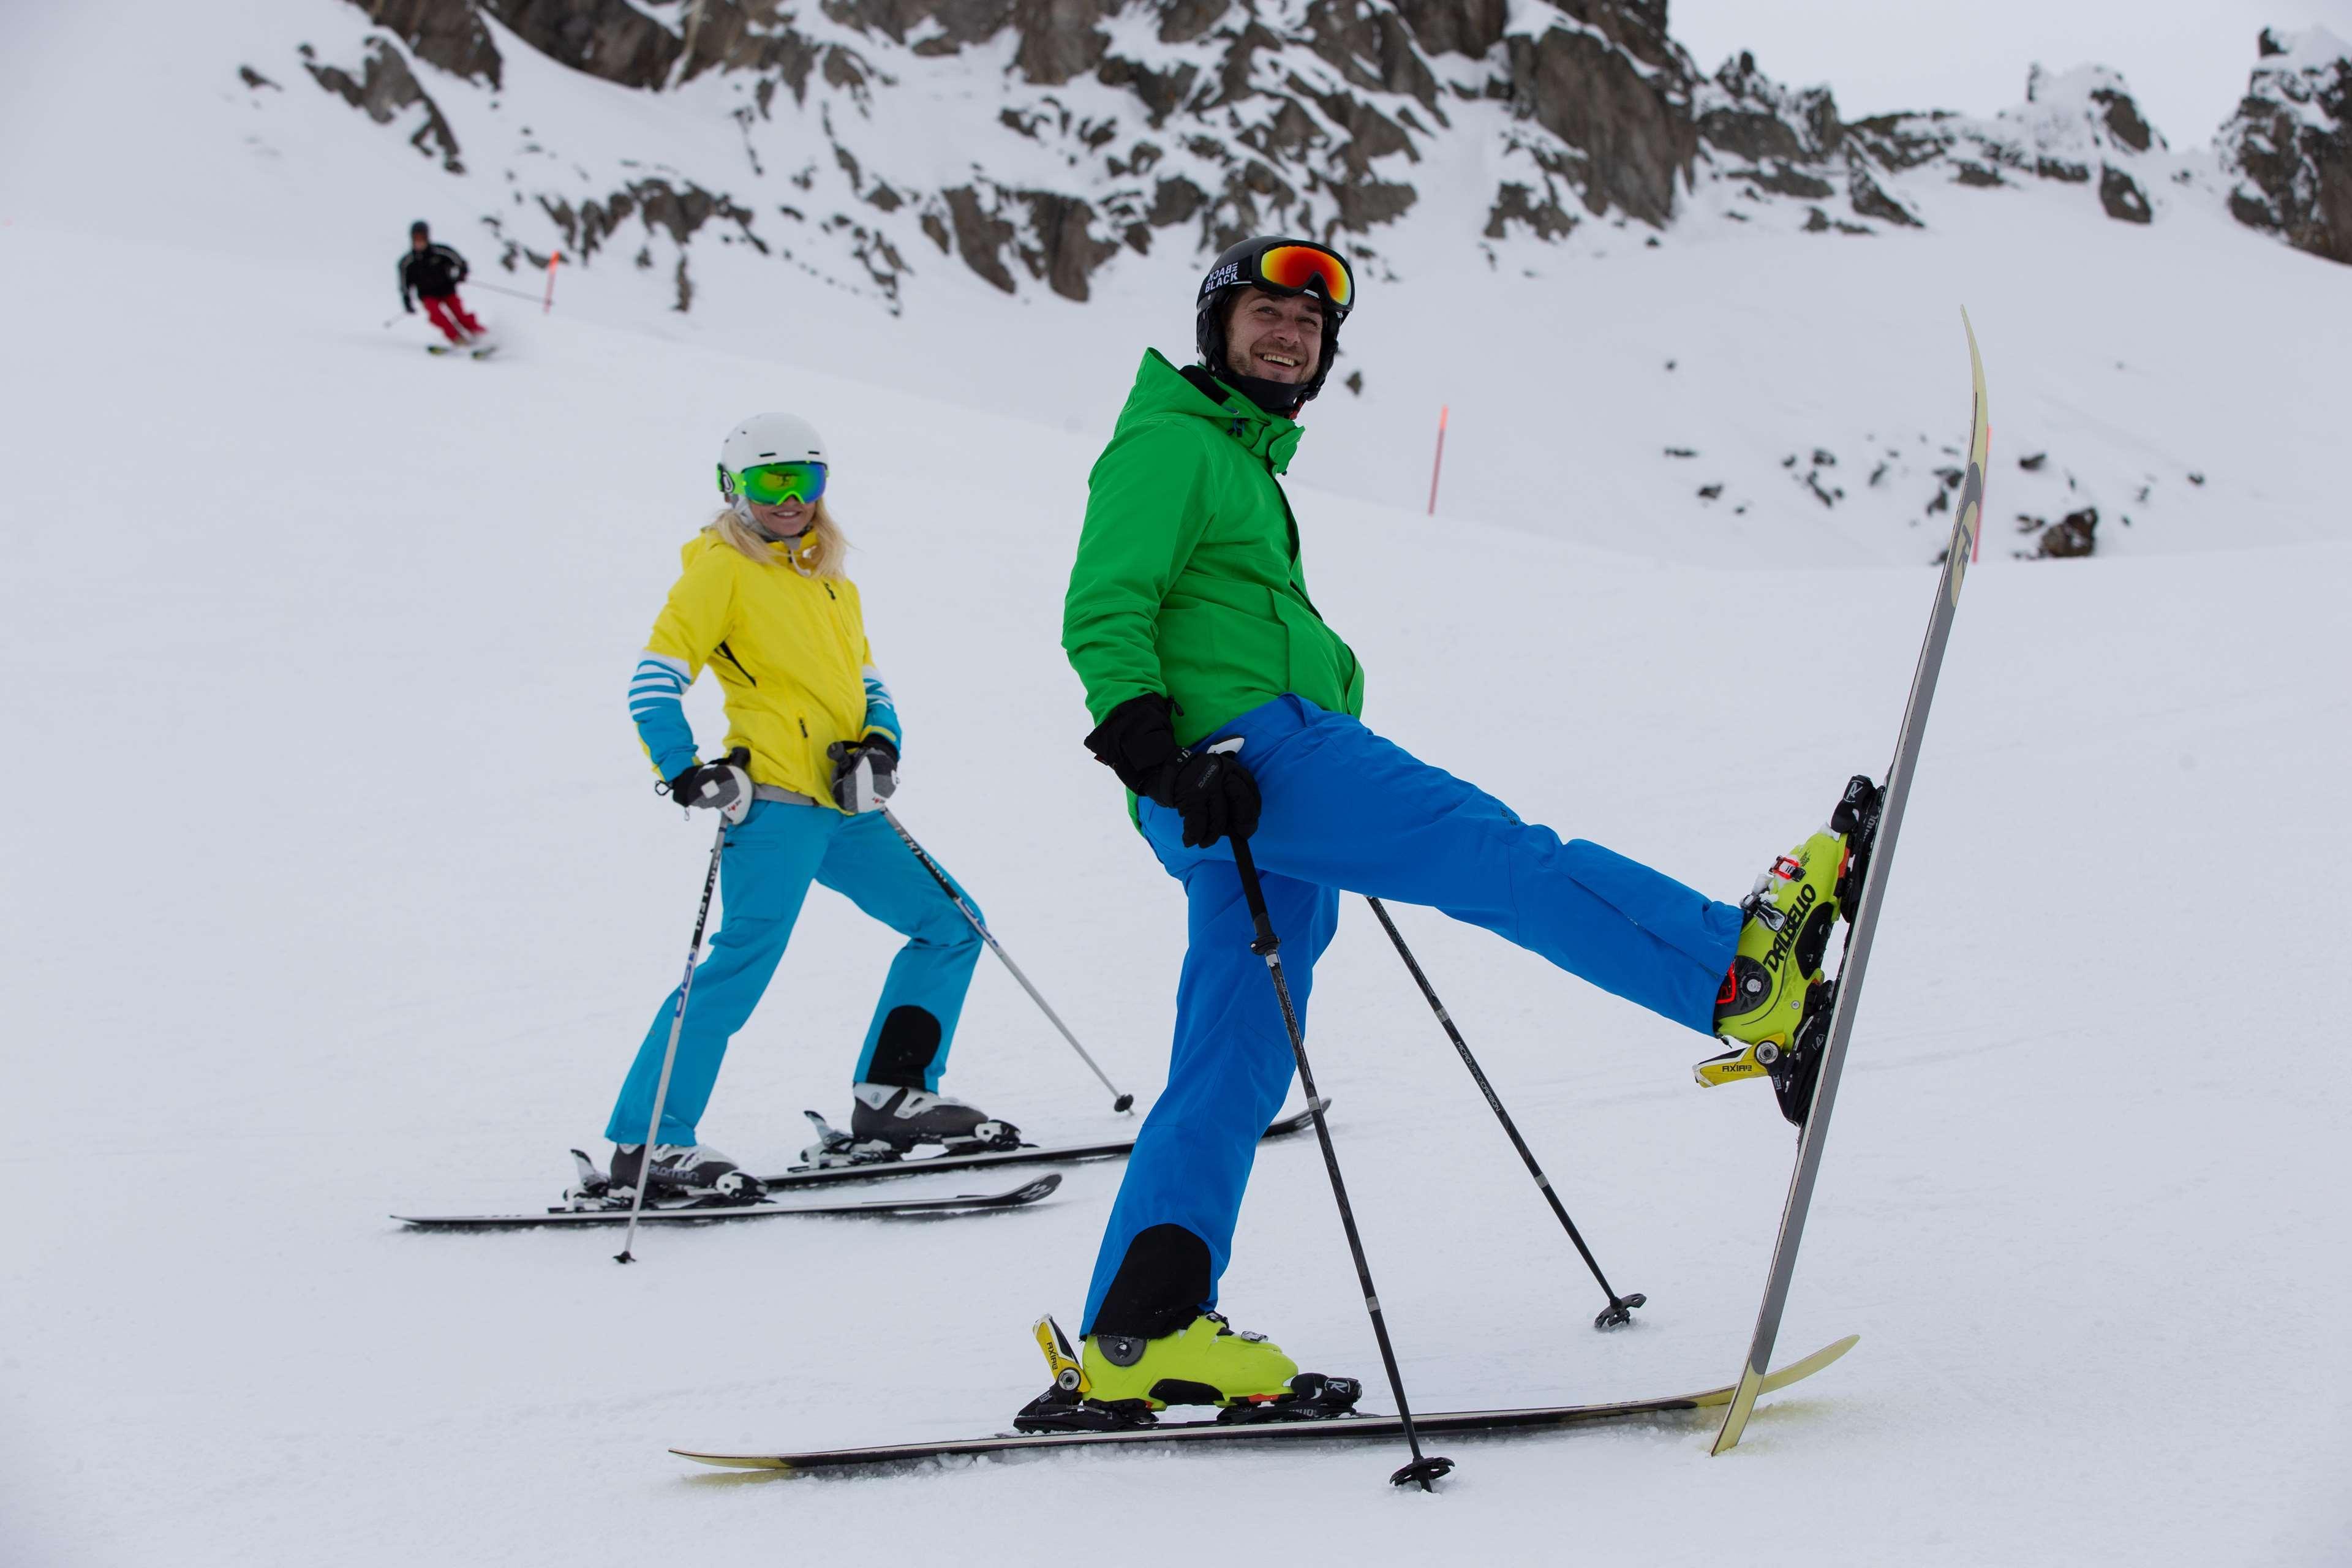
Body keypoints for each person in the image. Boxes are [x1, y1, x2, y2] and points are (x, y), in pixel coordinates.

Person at [1057, 236, 1858, 1411]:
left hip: (1232, 789)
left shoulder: (1238, 466)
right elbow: (1104, 605)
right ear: (1215, 325)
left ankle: (1143, 1329)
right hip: (1251, 761)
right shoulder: (1171, 444)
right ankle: (1739, 979)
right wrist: (1161, 757)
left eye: (1310, 325)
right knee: (1498, 856)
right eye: (1266, 313)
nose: (1289, 334)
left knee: (1232, 1052)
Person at [603, 412, 1017, 1200]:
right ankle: (647, 1144)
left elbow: (868, 683)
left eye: (806, 480)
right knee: (740, 967)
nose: (790, 497)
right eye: (769, 481)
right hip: (776, 808)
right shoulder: (719, 570)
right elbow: (652, 680)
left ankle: (892, 1097)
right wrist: (687, 771)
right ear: (735, 488)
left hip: (845, 806)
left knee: (951, 923)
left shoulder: (831, 578)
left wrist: (880, 745)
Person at [398, 221, 486, 347]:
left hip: (447, 290)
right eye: (416, 238)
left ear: (427, 237)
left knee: (460, 315)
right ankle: (458, 339)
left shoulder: (441, 251)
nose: (419, 241)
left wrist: (461, 274)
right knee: (437, 316)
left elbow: (460, 263)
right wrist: (407, 302)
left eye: (422, 237)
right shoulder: (407, 262)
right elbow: (404, 285)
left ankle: (482, 336)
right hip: (427, 295)